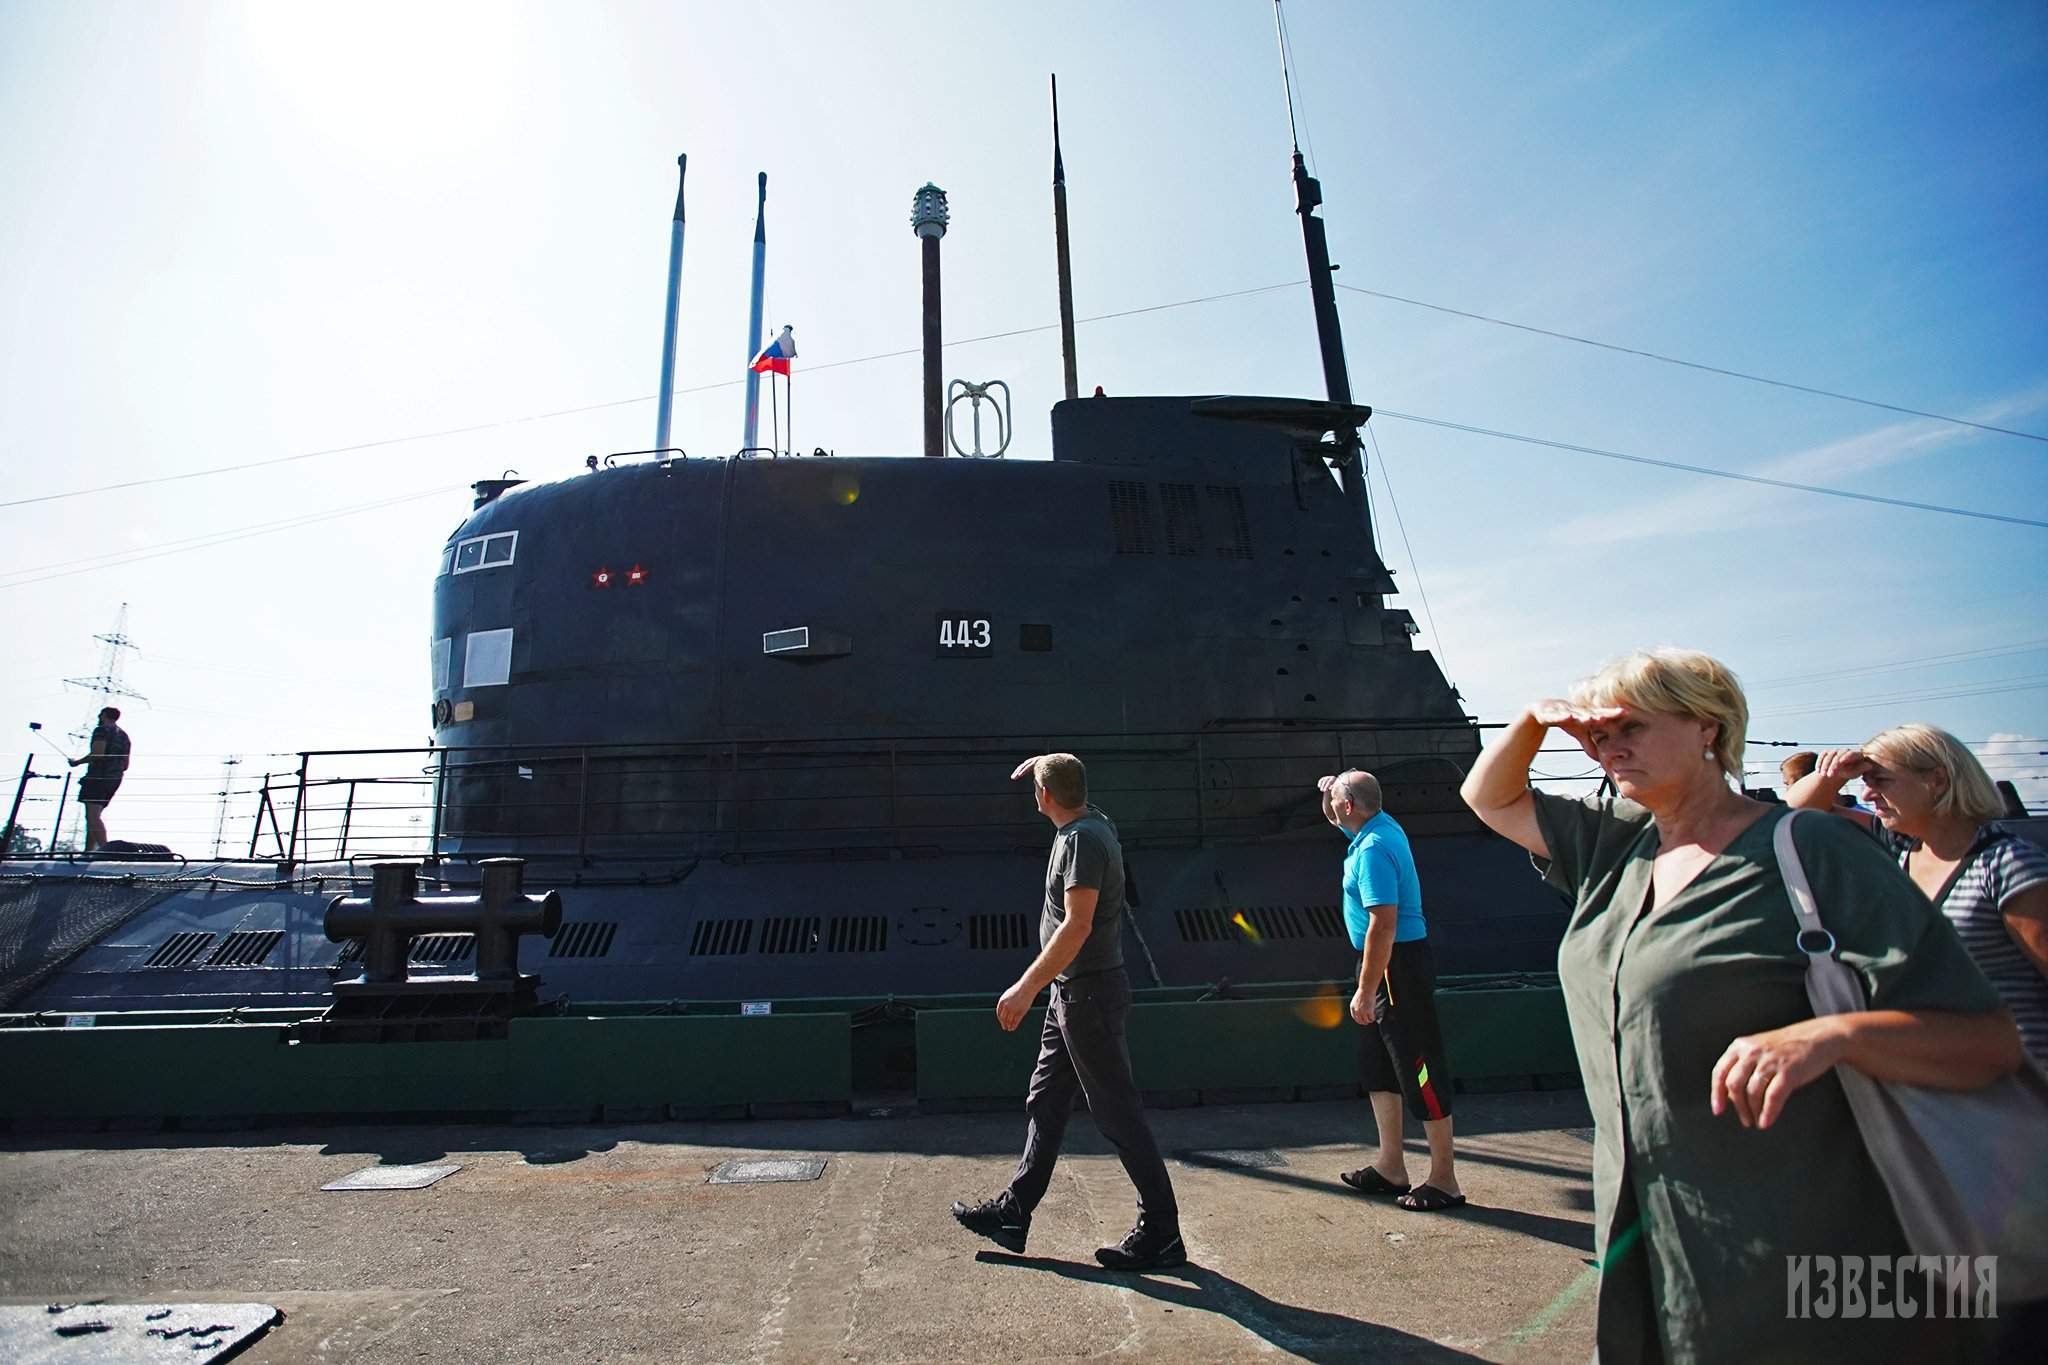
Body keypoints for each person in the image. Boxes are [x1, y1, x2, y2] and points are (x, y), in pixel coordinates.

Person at [1460, 648, 2019, 1362]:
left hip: (1795, 1256)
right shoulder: (1613, 845)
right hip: (1652, 1250)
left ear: (1708, 728)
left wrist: (1834, 1034)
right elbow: (1491, 797)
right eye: (1600, 735)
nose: (1610, 745)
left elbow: (1986, 1041)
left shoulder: (1810, 849)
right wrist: (1537, 718)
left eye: (1632, 724)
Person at [951, 753, 1184, 1270]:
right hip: (1070, 994)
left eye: (1038, 786)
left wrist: (1024, 987)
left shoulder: (1082, 841)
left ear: (1044, 797)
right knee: (1046, 1100)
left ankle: (1162, 1232)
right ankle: (1014, 1212)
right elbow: (1069, 787)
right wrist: (1047, 765)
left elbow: (1076, 926)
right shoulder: (1089, 820)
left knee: (1116, 1111)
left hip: (1088, 994)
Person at [1785, 724, 2048, 1064]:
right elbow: (1795, 818)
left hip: (2019, 1087)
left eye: (1881, 781)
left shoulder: (2007, 864)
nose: (1866, 795)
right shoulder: (1899, 849)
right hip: (1945, 1082)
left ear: (1937, 779)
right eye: (1865, 783)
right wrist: (1831, 777)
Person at [1316, 769, 1461, 1211]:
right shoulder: (1375, 826)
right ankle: (1391, 1166)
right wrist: (1330, 794)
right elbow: (1338, 818)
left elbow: (1384, 921)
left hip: (1396, 963)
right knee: (1378, 1066)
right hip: (1380, 962)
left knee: (1418, 1066)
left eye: (1337, 801)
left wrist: (1366, 989)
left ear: (1348, 806)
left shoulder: (1375, 849)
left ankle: (1444, 1179)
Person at [69, 706, 131, 852]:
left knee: (92, 816)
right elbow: (126, 764)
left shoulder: (101, 730)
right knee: (93, 816)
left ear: (104, 715)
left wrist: (76, 762)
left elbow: (97, 754)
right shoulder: (124, 736)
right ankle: (88, 852)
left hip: (97, 777)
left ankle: (105, 850)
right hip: (114, 779)